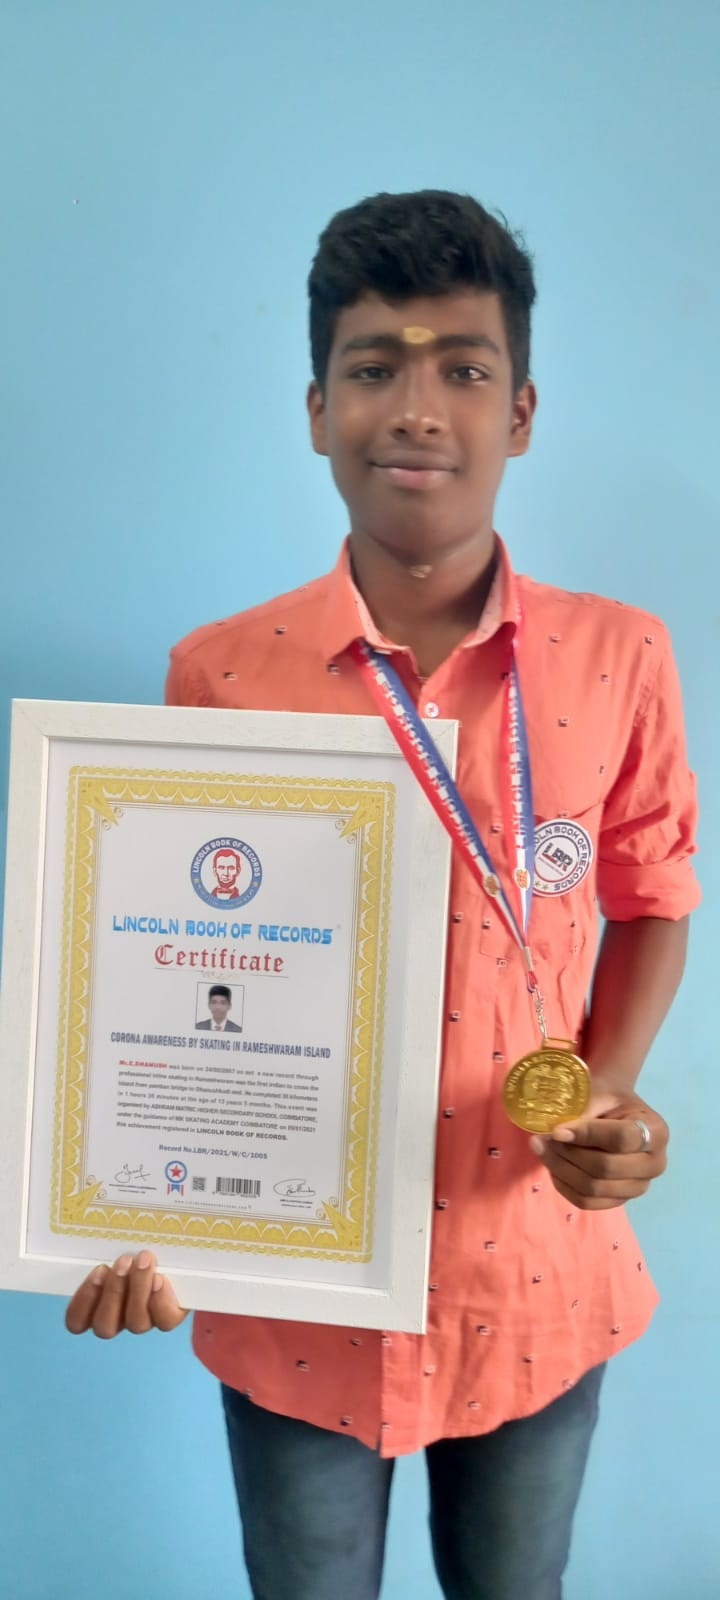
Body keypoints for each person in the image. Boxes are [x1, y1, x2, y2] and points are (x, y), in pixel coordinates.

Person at [66, 190, 700, 1600]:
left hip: (529, 1264)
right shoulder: (222, 675)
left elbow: (655, 884)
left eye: (462, 367)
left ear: (522, 413)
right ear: (314, 409)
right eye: (374, 367)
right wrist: (134, 1210)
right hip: (301, 1298)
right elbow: (163, 977)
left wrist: (609, 1086)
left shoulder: (618, 661)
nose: (418, 407)